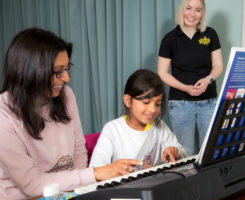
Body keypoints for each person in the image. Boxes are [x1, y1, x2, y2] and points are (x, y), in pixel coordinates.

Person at [0, 28, 141, 200]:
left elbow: (79, 151)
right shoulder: (3, 115)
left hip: (68, 192)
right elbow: (32, 185)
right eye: (58, 71)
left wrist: (77, 191)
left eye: (67, 68)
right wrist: (95, 174)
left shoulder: (66, 95)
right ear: (31, 71)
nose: (66, 78)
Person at [157, 0, 223, 156]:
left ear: (202, 14)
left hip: (209, 102)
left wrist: (208, 80)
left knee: (210, 151)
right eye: (189, 8)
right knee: (185, 152)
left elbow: (218, 65)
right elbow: (162, 72)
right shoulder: (170, 39)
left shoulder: (210, 34)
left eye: (198, 10)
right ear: (182, 10)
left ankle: (210, 181)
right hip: (181, 103)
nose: (192, 14)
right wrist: (185, 87)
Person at [89, 69, 187, 169]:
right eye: (146, 102)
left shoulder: (160, 126)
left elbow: (183, 153)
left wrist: (176, 151)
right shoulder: (112, 130)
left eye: (158, 104)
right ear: (128, 101)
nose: (152, 110)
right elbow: (96, 169)